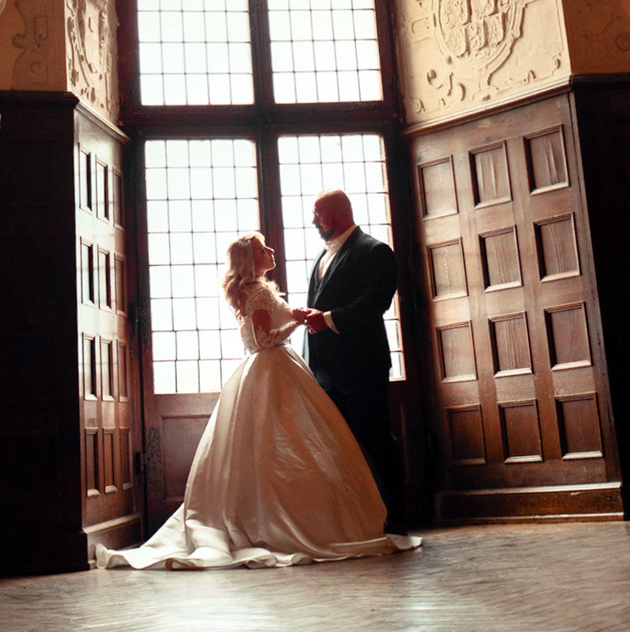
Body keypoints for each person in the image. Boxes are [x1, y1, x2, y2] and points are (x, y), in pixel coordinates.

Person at [99, 233, 418, 570]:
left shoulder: (256, 290)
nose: (271, 250)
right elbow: (264, 339)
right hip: (273, 366)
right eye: (263, 248)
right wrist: (296, 321)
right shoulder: (257, 292)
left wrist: (292, 313)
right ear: (250, 260)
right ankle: (287, 522)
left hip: (271, 367)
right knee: (283, 444)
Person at [300, 189, 408, 528]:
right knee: (336, 448)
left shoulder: (375, 251)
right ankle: (353, 521)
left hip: (361, 366)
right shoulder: (321, 255)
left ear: (337, 214)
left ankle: (397, 518)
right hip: (323, 371)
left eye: (317, 214)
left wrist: (328, 319)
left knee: (376, 440)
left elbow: (375, 303)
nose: (314, 221)